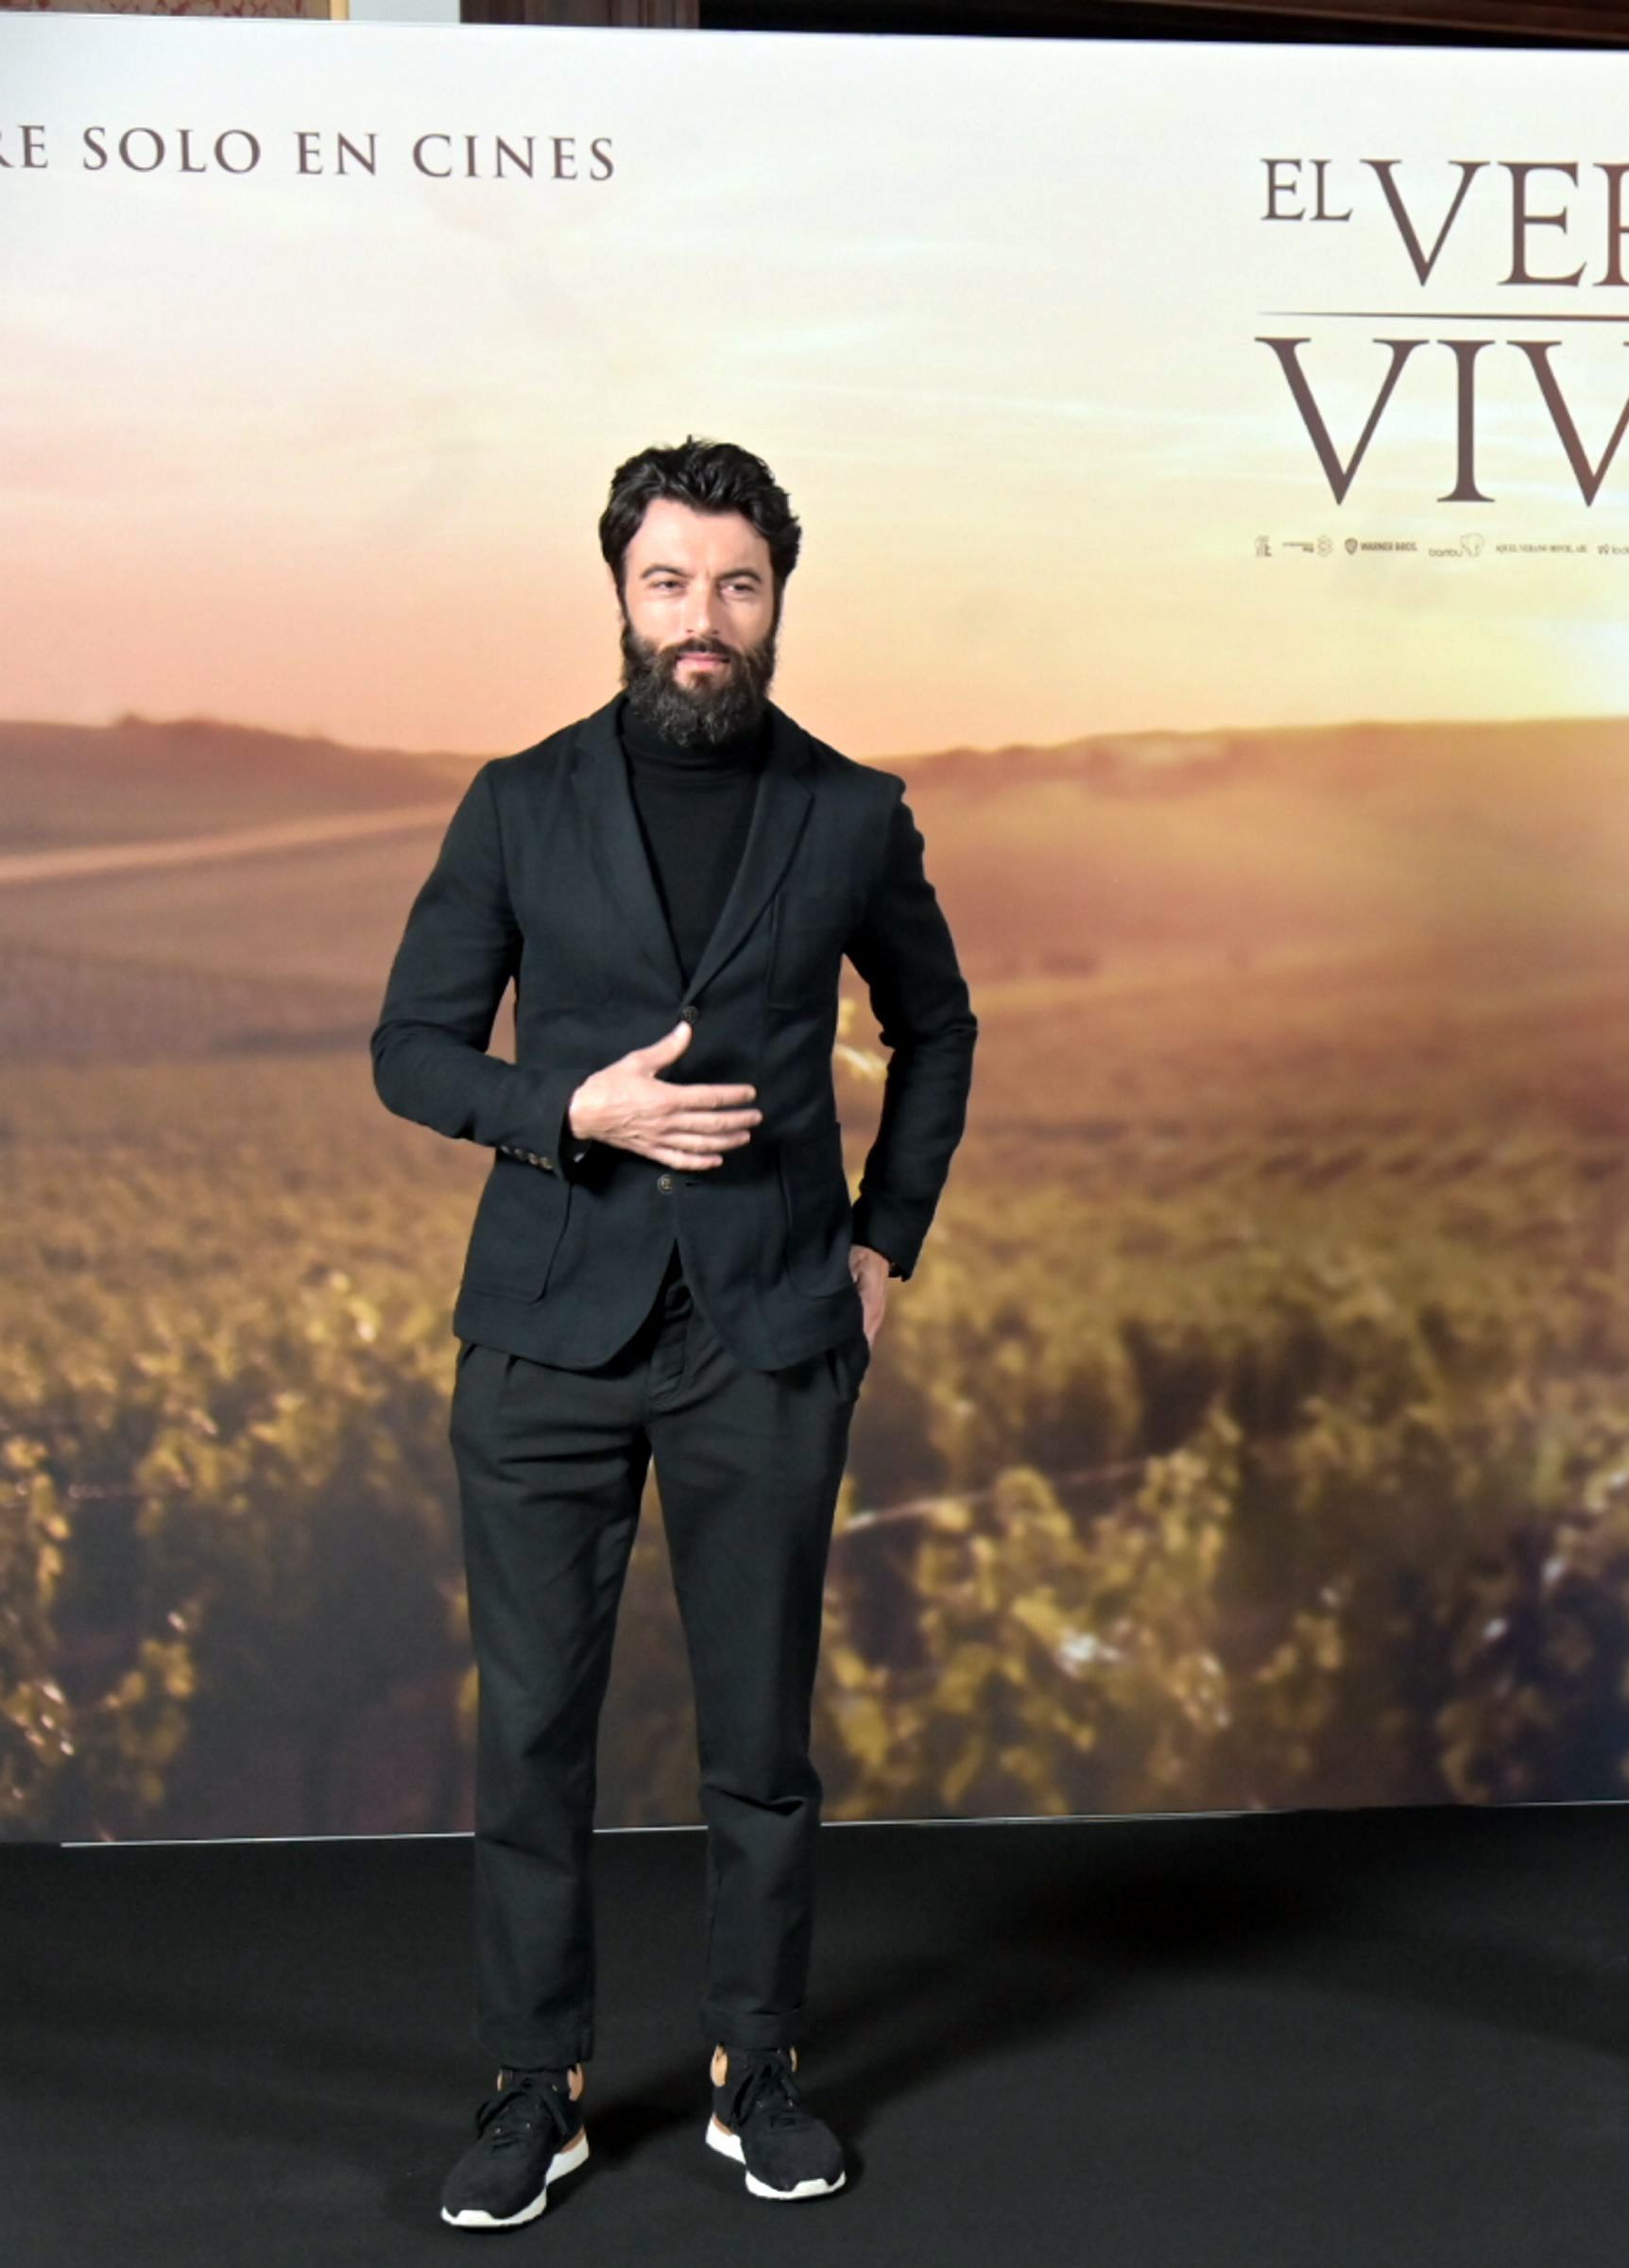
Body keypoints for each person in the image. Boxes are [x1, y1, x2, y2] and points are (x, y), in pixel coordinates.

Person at [374, 438, 976, 2225]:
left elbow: (938, 1029)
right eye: (669, 582)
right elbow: (411, 1048)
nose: (702, 619)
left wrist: (887, 1241)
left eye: (736, 584)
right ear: (619, 592)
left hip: (771, 1331)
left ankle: (755, 2065)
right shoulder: (515, 799)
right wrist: (575, 1112)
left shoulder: (854, 809)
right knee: (534, 1734)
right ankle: (529, 2086)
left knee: (760, 1740)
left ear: (778, 597)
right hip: (548, 1329)